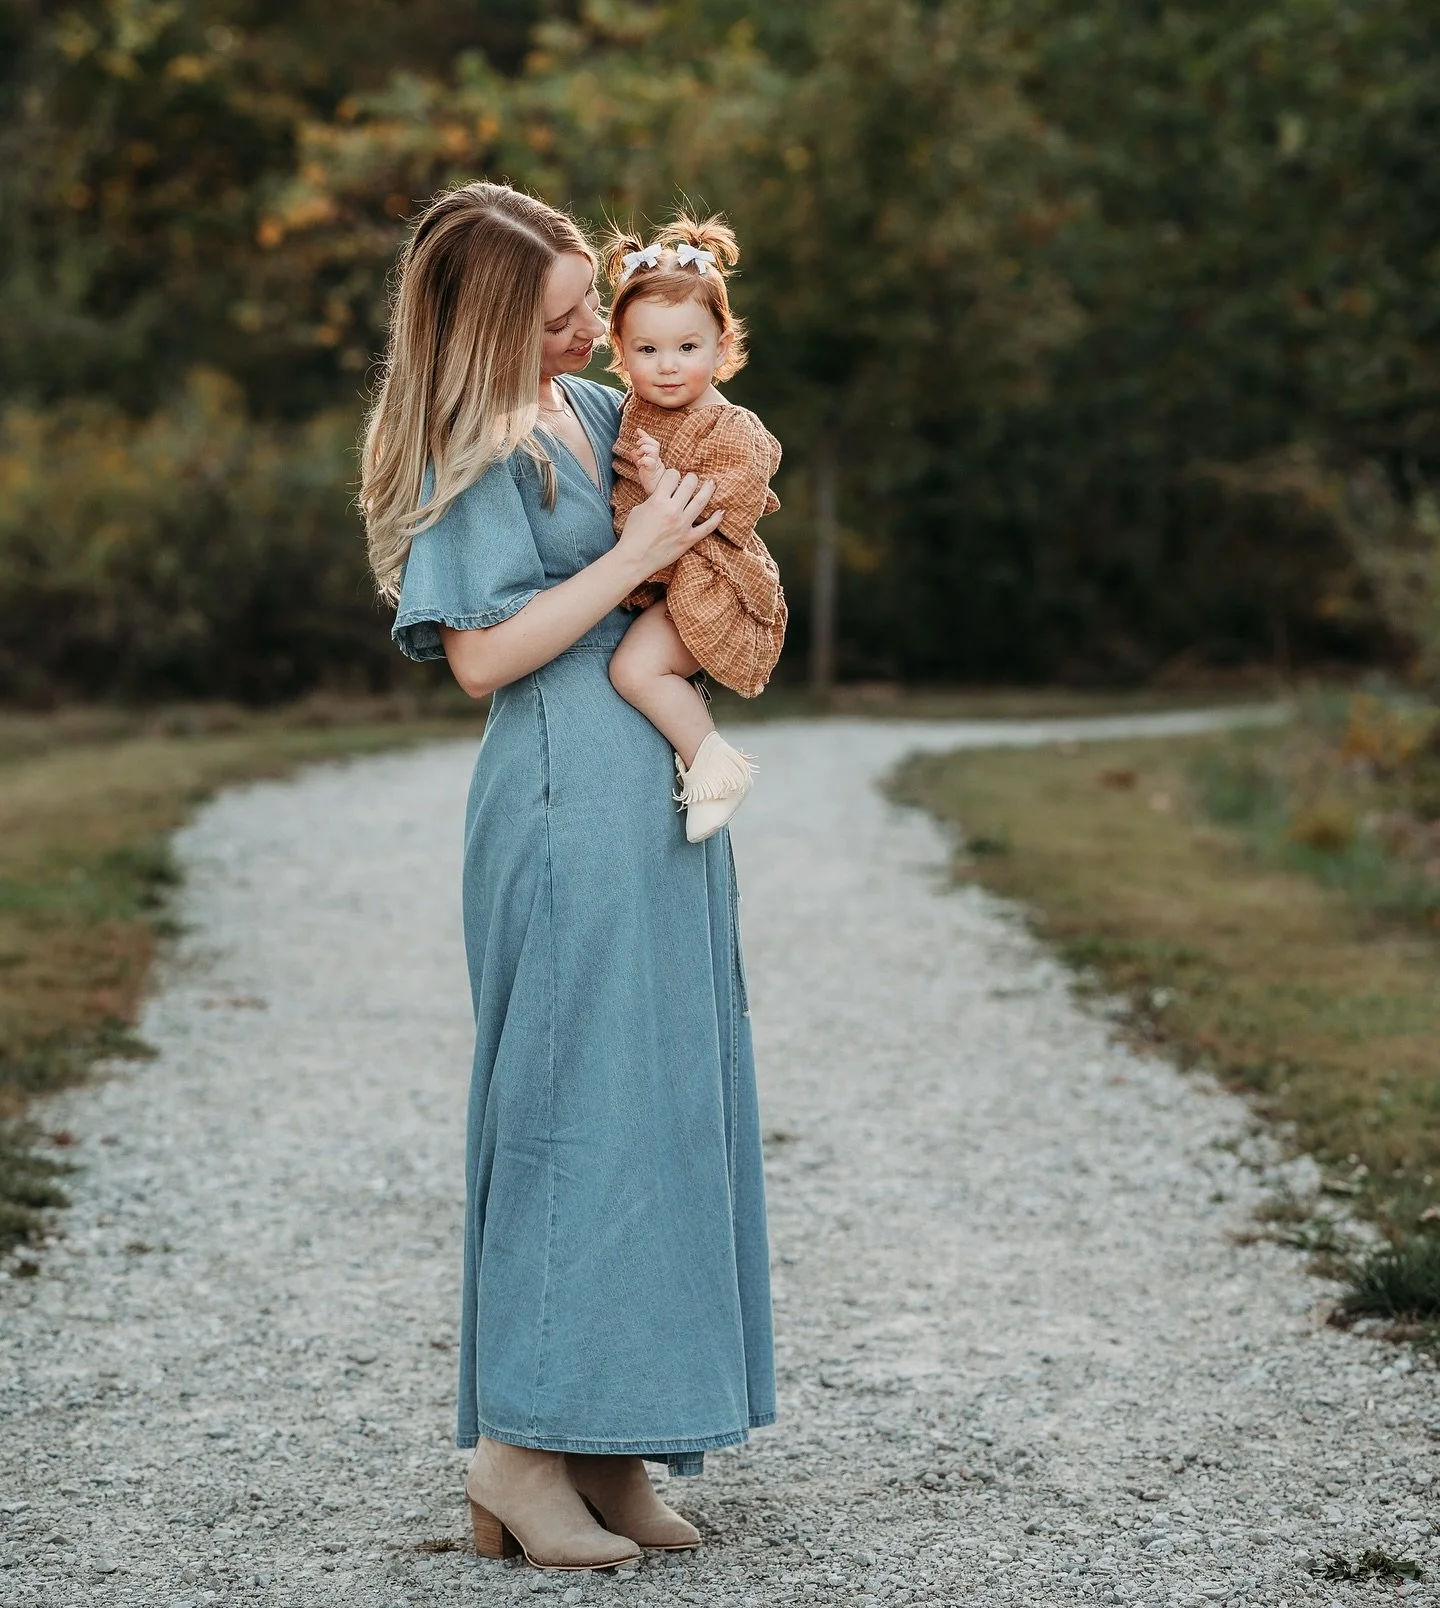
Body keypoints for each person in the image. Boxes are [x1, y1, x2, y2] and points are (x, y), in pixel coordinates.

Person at [360, 181, 775, 1573]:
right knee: (565, 1105)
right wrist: (643, 558)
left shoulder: (596, 415)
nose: (597, 328)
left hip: (649, 806)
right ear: (490, 327)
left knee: (657, 1097)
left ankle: (609, 1439)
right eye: (563, 315)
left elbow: (700, 476)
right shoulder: (471, 453)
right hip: (555, 801)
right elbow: (480, 656)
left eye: (593, 304)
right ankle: (515, 1454)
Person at [604, 213, 787, 843]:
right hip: (666, 581)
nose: (668, 366)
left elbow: (721, 509)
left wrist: (658, 484)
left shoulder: (732, 428)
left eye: (688, 347)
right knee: (636, 668)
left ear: (722, 346)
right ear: (620, 350)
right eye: (647, 350)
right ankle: (696, 757)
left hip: (714, 582)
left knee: (635, 670)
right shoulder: (632, 410)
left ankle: (715, 763)